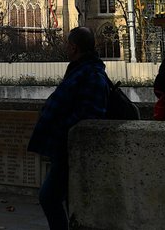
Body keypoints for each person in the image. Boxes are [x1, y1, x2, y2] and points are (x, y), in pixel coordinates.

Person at [27, 27, 110, 230]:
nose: (65, 47)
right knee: (65, 199)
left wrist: (61, 128)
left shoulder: (89, 73)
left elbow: (88, 114)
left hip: (70, 147)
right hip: (65, 147)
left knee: (48, 197)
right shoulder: (81, 69)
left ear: (74, 47)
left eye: (67, 44)